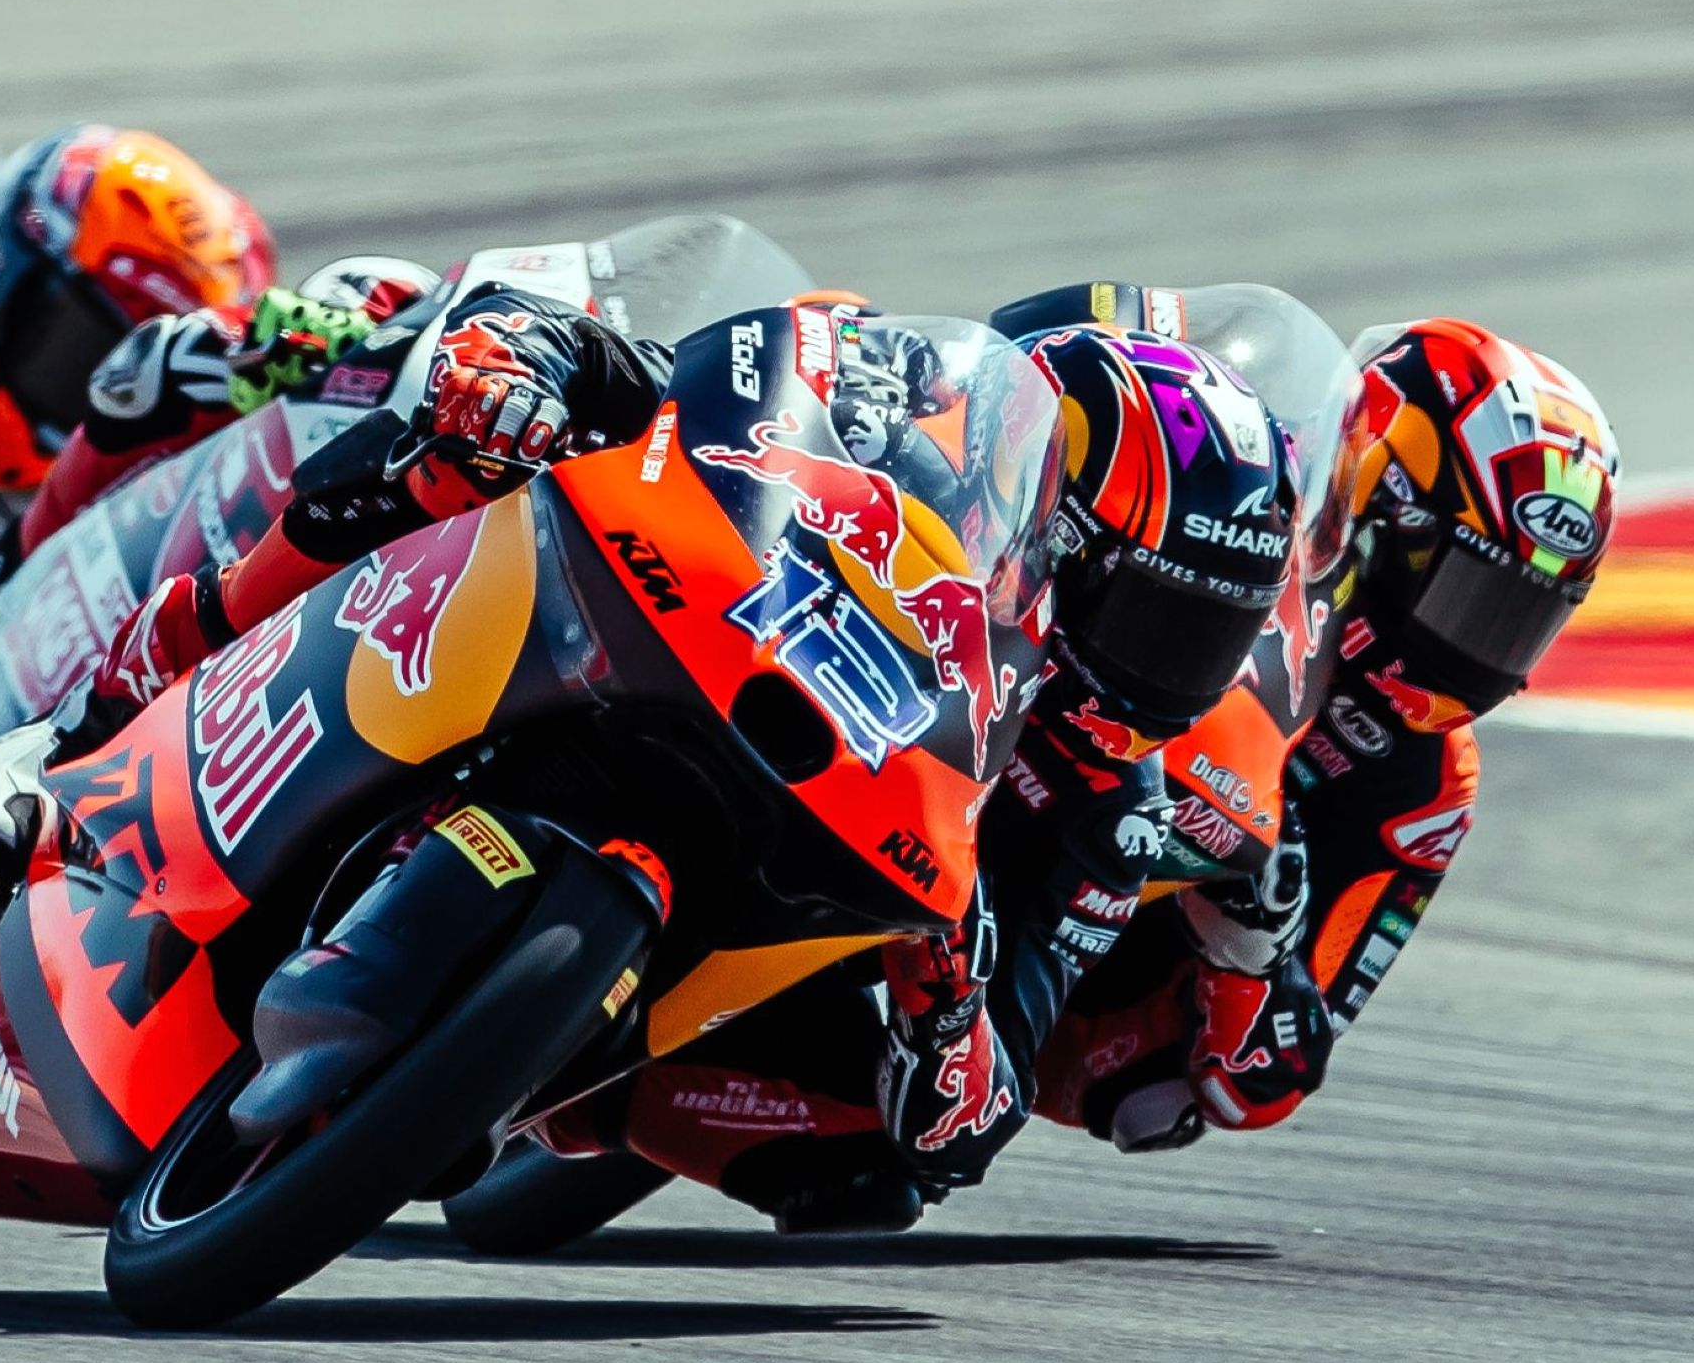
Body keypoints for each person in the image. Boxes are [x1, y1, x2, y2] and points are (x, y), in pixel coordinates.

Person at [65, 281, 1299, 1229]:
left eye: (1205, 639)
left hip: (781, 919)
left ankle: (551, 1081)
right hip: (690, 642)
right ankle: (175, 649)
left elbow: (967, 1125)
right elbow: (669, 378)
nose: (1162, 676)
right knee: (457, 439)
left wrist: (951, 994)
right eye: (1153, 620)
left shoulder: (1104, 812)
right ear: (1057, 534)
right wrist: (530, 359)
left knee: (867, 1171)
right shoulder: (894, 417)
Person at [1003, 302, 1619, 1152]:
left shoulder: (1430, 788)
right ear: (1378, 509)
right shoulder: (1242, 469)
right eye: (1469, 601)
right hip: (1034, 706)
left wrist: (1253, 949)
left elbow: (1265, 1078)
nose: (1477, 652)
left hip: (1092, 968)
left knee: (1155, 1097)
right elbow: (1050, 332)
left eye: (1517, 621)